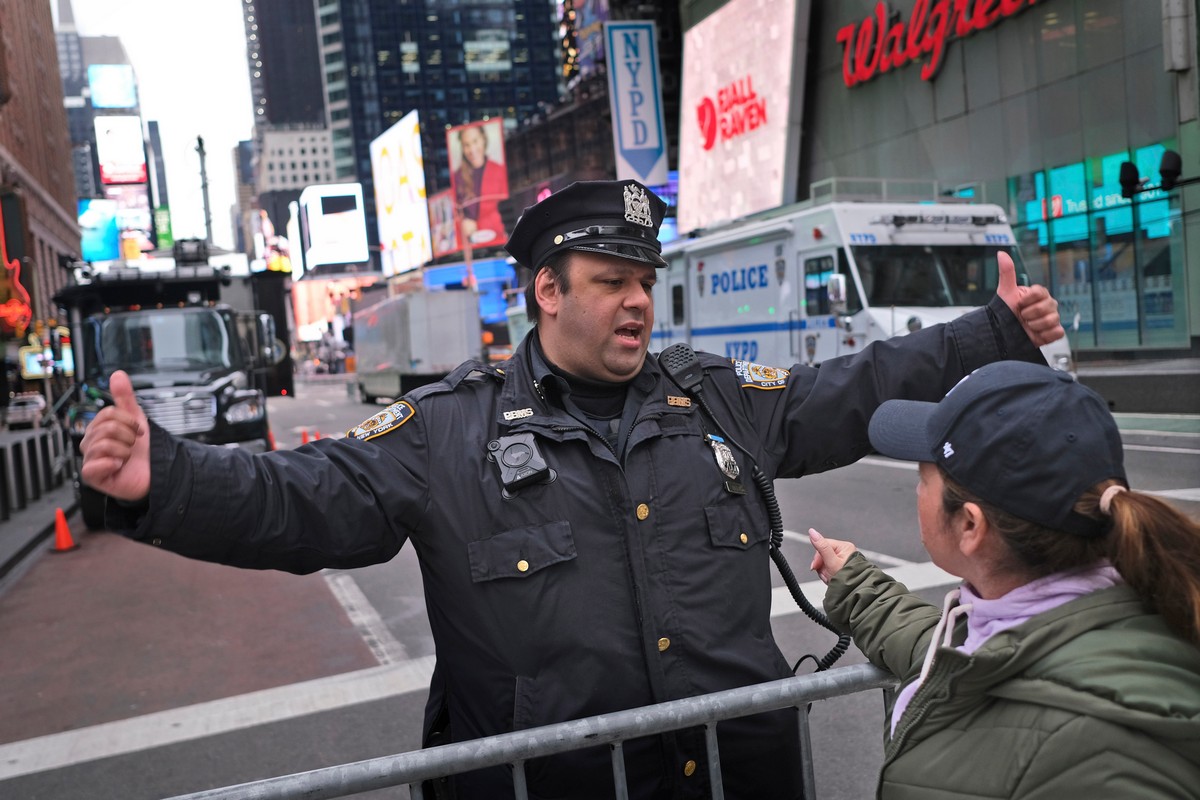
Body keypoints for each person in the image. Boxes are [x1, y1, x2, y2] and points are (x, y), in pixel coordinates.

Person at [80, 179, 1064, 799]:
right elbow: (299, 497)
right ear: (548, 292)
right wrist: (164, 475)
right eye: (610, 279)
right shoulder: (446, 430)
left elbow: (848, 390)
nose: (639, 297)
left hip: (739, 773)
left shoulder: (708, 396)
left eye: (646, 276)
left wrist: (990, 333)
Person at [808, 360, 1200, 799]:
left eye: (924, 479)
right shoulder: (1105, 610)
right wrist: (857, 583)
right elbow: (948, 654)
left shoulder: (1102, 755)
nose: (918, 492)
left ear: (971, 526)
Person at [450, 123, 508, 245]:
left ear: (483, 139)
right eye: (466, 145)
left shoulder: (499, 170)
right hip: (468, 245)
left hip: (497, 238)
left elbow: (505, 209)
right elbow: (454, 213)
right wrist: (462, 224)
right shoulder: (457, 177)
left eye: (475, 141)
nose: (472, 149)